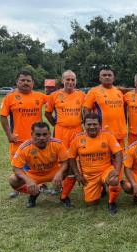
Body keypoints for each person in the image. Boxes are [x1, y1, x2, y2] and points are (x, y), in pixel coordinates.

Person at [0, 70, 49, 198]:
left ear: (33, 83)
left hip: (37, 140)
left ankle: (41, 185)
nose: (25, 83)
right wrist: (9, 135)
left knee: (38, 164)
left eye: (28, 81)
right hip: (18, 140)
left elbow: (54, 101)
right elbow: (3, 116)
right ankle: (17, 188)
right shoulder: (9, 97)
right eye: (22, 80)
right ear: (17, 82)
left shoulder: (40, 96)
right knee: (18, 166)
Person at [68, 113, 123, 215]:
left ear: (100, 125)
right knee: (91, 203)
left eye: (95, 124)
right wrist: (77, 175)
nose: (92, 127)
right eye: (89, 124)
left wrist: (117, 171)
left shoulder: (108, 136)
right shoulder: (77, 139)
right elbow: (71, 157)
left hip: (105, 171)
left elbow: (118, 153)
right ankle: (100, 188)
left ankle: (112, 202)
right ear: (84, 125)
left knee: (114, 180)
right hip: (89, 176)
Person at [45, 70, 85, 201]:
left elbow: (86, 111)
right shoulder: (54, 95)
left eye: (73, 80)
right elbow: (48, 113)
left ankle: (84, 183)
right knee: (61, 160)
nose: (70, 82)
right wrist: (56, 125)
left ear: (76, 81)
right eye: (67, 79)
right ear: (62, 81)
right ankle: (58, 186)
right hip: (61, 131)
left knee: (78, 158)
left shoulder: (81, 95)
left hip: (77, 130)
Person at [9, 122, 69, 208]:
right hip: (34, 175)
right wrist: (28, 180)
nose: (42, 138)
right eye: (38, 135)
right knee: (13, 180)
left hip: (54, 173)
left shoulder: (57, 143)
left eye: (45, 134)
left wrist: (60, 173)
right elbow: (16, 168)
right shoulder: (24, 147)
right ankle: (35, 192)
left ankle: (64, 195)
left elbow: (65, 161)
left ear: (49, 134)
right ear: (31, 134)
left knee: (71, 169)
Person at [83, 67, 127, 147]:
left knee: (120, 158)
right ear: (100, 78)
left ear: (113, 78)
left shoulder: (119, 92)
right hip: (103, 133)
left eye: (109, 75)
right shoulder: (93, 91)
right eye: (104, 75)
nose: (107, 77)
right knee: (105, 159)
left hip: (120, 134)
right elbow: (86, 110)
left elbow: (123, 110)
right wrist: (88, 127)